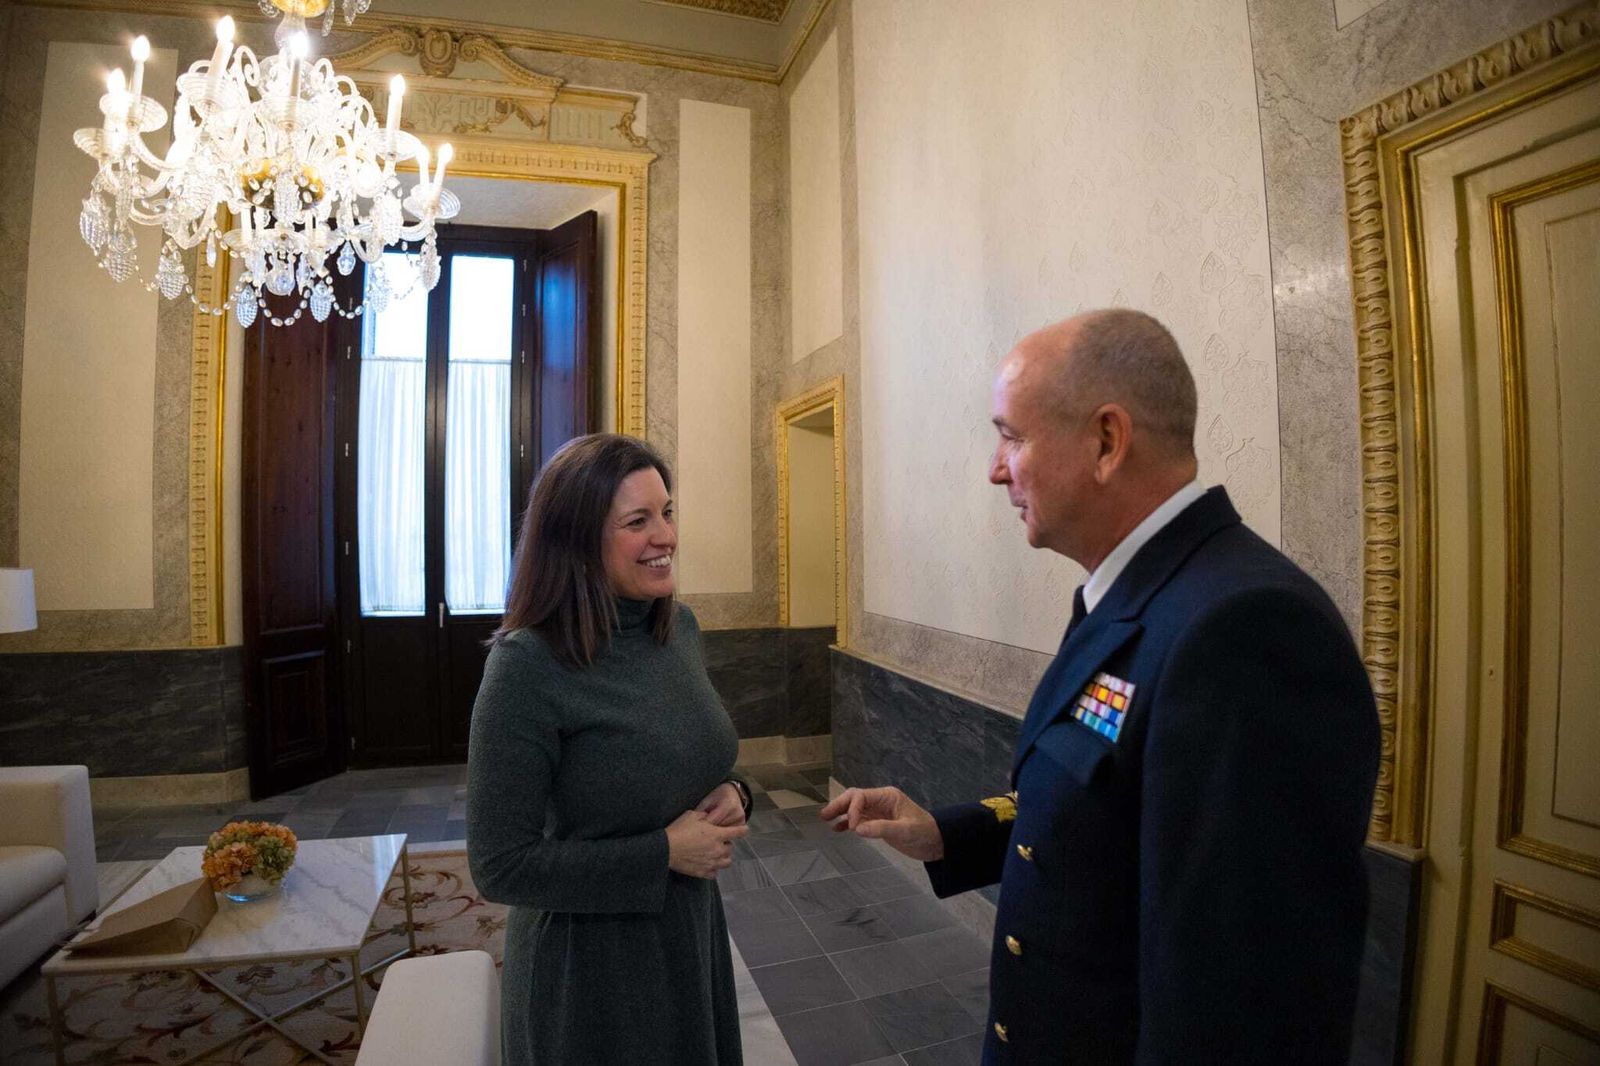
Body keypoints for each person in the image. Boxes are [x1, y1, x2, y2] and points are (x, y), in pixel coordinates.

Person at [822, 310, 1379, 1064]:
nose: (995, 468)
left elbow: (1242, 1003)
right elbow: (1108, 815)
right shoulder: (1136, 595)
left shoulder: (1244, 628)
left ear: (1107, 442)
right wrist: (944, 834)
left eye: (1012, 436)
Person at [467, 433, 752, 1065]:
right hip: (588, 972)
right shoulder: (527, 665)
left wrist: (736, 793)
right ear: (578, 540)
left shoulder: (678, 629)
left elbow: (693, 754)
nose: (666, 536)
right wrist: (663, 853)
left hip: (686, 940)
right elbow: (499, 865)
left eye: (668, 512)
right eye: (638, 521)